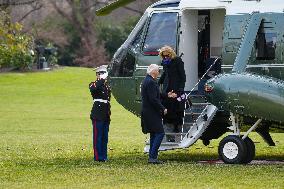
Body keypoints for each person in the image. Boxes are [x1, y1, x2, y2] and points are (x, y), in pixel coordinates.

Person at [141, 64, 173, 164]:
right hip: (151, 112)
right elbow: (153, 99)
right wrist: (163, 108)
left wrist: (167, 95)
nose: (159, 72)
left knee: (154, 134)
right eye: (158, 70)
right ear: (153, 72)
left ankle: (152, 157)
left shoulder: (148, 80)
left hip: (149, 112)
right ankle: (153, 157)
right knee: (160, 133)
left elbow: (156, 95)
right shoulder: (150, 82)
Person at [158, 45, 186, 142]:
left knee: (176, 109)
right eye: (164, 56)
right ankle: (168, 132)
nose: (165, 57)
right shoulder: (164, 62)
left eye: (167, 55)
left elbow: (183, 76)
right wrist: (158, 82)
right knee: (167, 109)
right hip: (167, 88)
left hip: (176, 88)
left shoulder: (178, 61)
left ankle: (176, 129)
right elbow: (165, 73)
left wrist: (181, 88)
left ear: (171, 54)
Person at [89, 65, 111, 162]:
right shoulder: (93, 84)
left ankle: (104, 156)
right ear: (97, 75)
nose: (103, 76)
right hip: (97, 114)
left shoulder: (106, 86)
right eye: (101, 73)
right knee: (98, 137)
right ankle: (98, 157)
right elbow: (94, 89)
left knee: (104, 137)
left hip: (106, 114)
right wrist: (101, 79)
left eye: (104, 73)